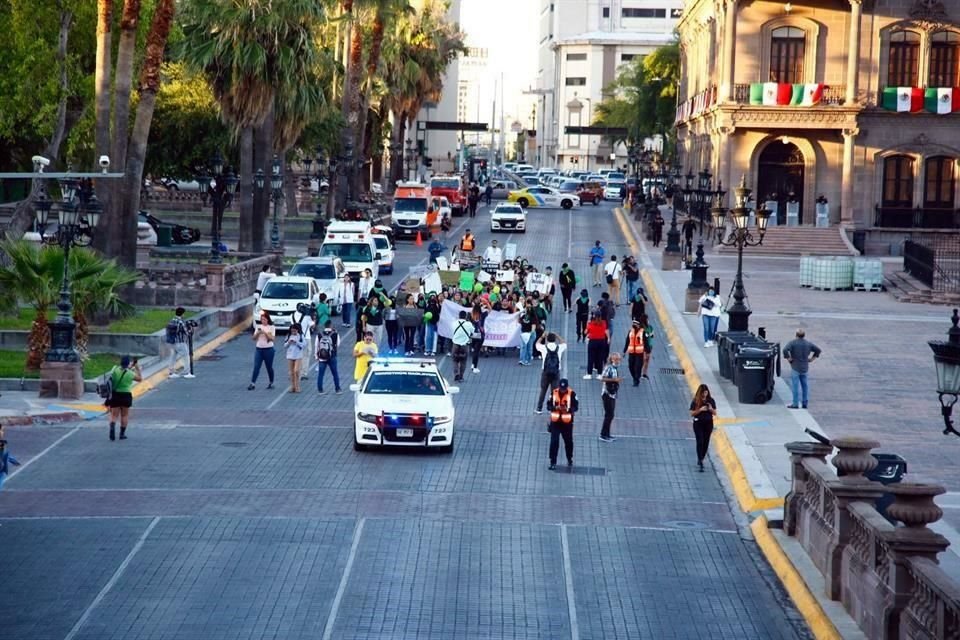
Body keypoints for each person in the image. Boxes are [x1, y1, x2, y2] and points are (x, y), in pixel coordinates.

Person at [106, 355, 143, 441]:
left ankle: (112, 424)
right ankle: (122, 434)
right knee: (124, 415)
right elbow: (140, 379)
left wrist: (130, 367)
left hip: (116, 395)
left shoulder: (115, 369)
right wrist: (137, 368)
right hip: (126, 395)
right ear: (128, 364)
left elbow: (113, 375)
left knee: (114, 415)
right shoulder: (130, 374)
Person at [783, 329, 822, 409]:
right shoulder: (808, 343)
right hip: (805, 367)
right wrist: (812, 359)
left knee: (795, 386)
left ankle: (795, 403)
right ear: (804, 335)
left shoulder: (793, 343)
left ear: (796, 335)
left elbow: (785, 350)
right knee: (805, 386)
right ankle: (805, 403)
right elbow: (818, 350)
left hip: (795, 367)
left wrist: (789, 358)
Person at [546, 378, 579, 470]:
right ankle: (552, 462)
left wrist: (567, 410)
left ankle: (569, 458)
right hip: (555, 422)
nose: (562, 390)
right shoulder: (554, 393)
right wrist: (554, 407)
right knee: (554, 442)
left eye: (564, 389)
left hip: (567, 423)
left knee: (568, 442)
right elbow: (548, 405)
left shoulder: (572, 394)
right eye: (561, 388)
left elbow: (576, 407)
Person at [535, 333, 567, 414]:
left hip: (545, 372)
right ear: (555, 339)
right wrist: (558, 335)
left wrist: (542, 336)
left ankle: (539, 409)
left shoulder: (543, 347)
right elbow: (564, 343)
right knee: (555, 391)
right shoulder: (559, 347)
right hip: (556, 372)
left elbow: (537, 344)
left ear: (547, 339)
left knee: (543, 390)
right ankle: (553, 408)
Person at [690, 383, 717, 472]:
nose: (705, 394)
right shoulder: (695, 401)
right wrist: (700, 410)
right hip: (698, 424)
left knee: (706, 441)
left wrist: (710, 408)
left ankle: (702, 456)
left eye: (706, 392)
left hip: (708, 424)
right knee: (700, 441)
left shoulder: (711, 401)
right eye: (703, 393)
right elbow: (692, 413)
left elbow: (715, 413)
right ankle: (700, 459)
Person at [249, 311, 276, 390]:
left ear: (268, 320)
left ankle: (271, 382)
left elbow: (272, 338)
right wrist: (258, 333)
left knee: (269, 367)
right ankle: (252, 383)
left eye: (264, 319)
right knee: (256, 366)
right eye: (262, 319)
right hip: (259, 349)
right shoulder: (258, 327)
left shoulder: (271, 327)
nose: (263, 321)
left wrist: (265, 333)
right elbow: (253, 338)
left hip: (269, 350)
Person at [599, 353, 623, 442]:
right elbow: (602, 378)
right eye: (616, 359)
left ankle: (607, 433)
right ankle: (603, 434)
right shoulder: (608, 368)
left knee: (610, 415)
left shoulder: (615, 369)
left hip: (612, 394)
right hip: (607, 394)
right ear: (612, 359)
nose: (618, 361)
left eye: (619, 359)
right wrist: (615, 380)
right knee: (609, 415)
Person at [315, 321, 342, 394]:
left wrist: (316, 355)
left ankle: (320, 390)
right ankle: (337, 389)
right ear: (331, 326)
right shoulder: (335, 334)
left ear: (325, 326)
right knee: (335, 373)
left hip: (322, 357)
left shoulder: (320, 334)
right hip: (332, 356)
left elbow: (316, 345)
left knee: (321, 374)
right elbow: (338, 344)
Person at [166, 307, 192, 379]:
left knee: (173, 357)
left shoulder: (171, 320)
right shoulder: (181, 322)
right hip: (180, 342)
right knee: (186, 356)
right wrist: (190, 330)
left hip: (172, 342)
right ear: (182, 314)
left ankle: (171, 372)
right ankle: (187, 372)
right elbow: (186, 332)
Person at [291, 303, 314, 380]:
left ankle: (295, 371)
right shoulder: (307, 317)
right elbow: (312, 325)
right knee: (306, 355)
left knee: (295, 355)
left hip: (295, 338)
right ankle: (304, 373)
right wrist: (314, 317)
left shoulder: (292, 316)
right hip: (306, 337)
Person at [583, 311, 609, 379]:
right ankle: (599, 374)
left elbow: (585, 332)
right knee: (600, 358)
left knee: (591, 358)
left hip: (593, 342)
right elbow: (606, 330)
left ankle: (589, 374)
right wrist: (608, 338)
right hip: (601, 342)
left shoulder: (591, 323)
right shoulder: (604, 323)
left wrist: (587, 323)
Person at [450, 310, 474, 382]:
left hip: (455, 345)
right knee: (463, 361)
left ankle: (456, 373)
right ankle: (461, 376)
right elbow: (472, 332)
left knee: (455, 360)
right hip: (465, 345)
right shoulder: (469, 324)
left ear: (459, 316)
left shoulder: (454, 323)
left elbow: (452, 332)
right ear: (466, 316)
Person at [284, 324, 306, 393]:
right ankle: (292, 386)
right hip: (290, 355)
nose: (293, 332)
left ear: (297, 330)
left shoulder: (301, 336)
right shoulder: (288, 336)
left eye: (295, 331)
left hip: (298, 355)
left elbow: (304, 345)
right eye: (292, 331)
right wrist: (289, 342)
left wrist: (297, 342)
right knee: (291, 372)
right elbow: (284, 345)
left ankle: (297, 386)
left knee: (296, 370)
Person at [624, 320, 646, 386]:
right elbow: (627, 341)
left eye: (635, 324)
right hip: (631, 352)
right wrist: (624, 351)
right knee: (630, 366)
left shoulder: (643, 332)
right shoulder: (630, 331)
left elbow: (646, 343)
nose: (634, 325)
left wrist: (646, 352)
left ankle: (636, 380)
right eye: (633, 323)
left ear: (639, 325)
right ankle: (634, 377)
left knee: (638, 367)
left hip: (639, 353)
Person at [469, 304, 486, 373]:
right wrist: (486, 303)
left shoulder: (470, 316)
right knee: (477, 351)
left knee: (474, 350)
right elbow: (490, 310)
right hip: (480, 335)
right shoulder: (482, 315)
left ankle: (473, 364)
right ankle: (475, 367)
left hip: (472, 334)